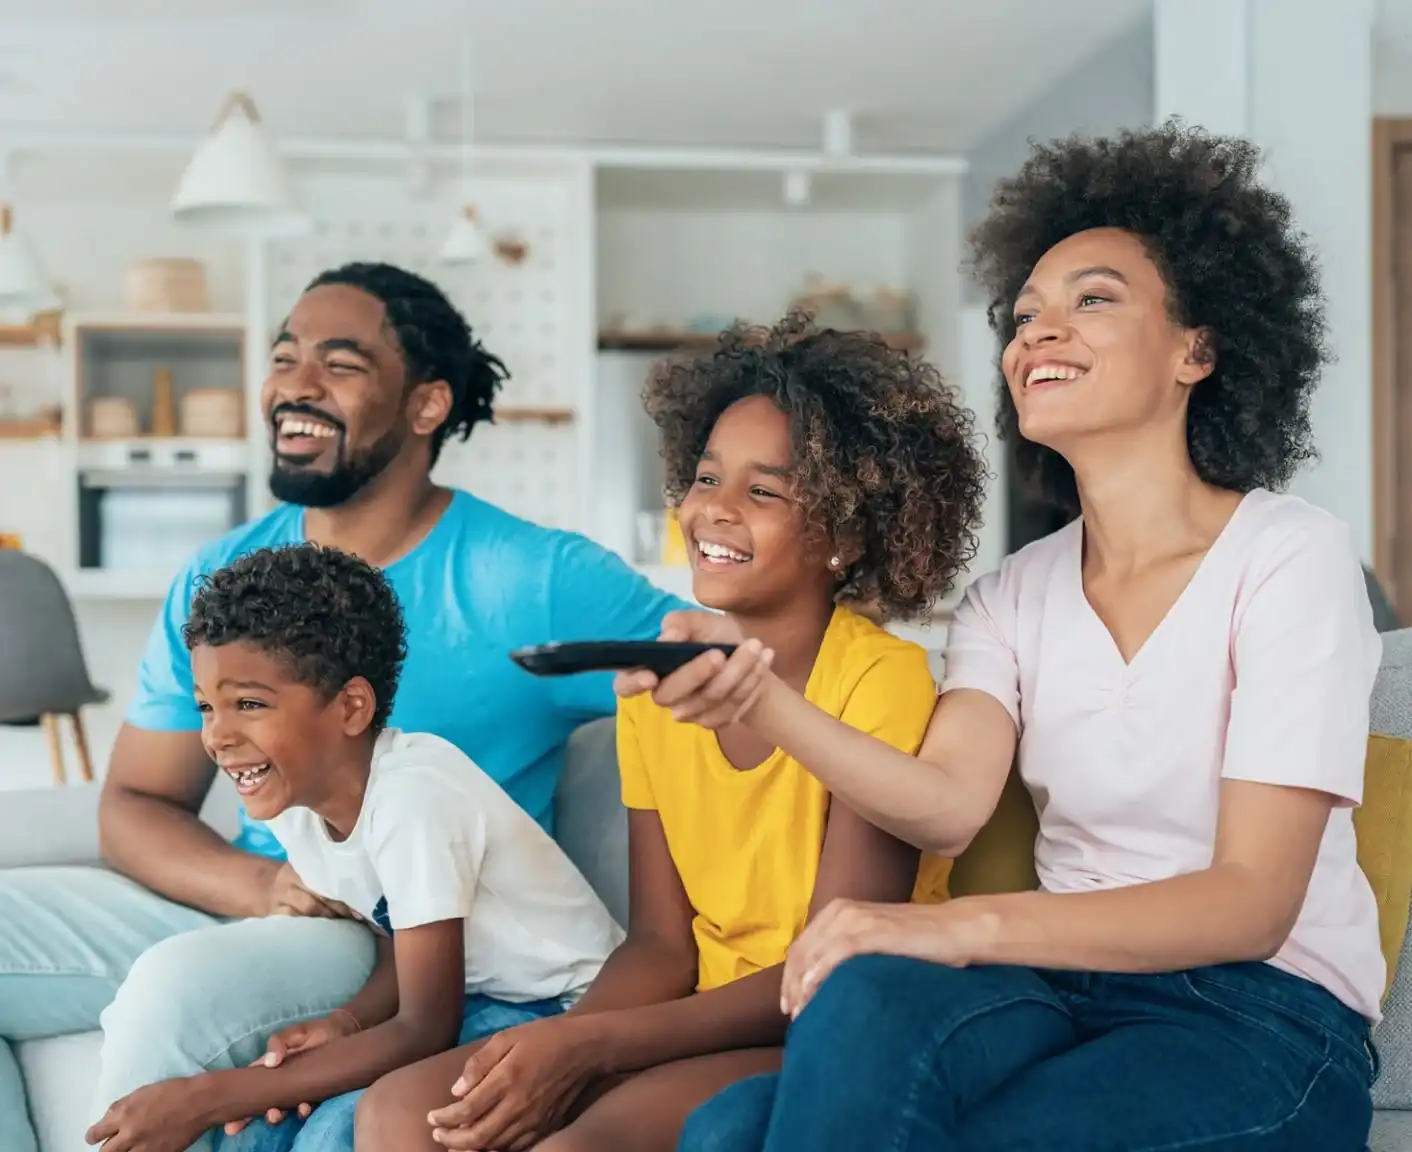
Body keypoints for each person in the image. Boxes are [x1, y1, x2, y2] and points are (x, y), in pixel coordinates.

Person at [636, 123, 1385, 1151]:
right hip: (1055, 997)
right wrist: (761, 697)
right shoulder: (1013, 595)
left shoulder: (1290, 559)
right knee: (743, 1109)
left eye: (1091, 300)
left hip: (1256, 1015)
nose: (1037, 334)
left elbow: (1250, 902)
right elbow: (941, 809)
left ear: (1196, 349)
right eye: (1024, 313)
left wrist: (947, 928)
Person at [0, 261, 682, 1152]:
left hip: (383, 931)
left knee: (175, 989)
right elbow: (132, 805)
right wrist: (263, 885)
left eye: (341, 362)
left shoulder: (536, 578)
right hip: (273, 895)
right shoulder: (223, 582)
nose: (295, 384)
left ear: (427, 405)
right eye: (284, 357)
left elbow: (723, 672)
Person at [350, 313, 988, 1151]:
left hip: (833, 1026)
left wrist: (587, 1046)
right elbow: (660, 943)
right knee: (398, 1111)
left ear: (846, 532)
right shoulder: (655, 687)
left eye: (764, 491)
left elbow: (834, 974)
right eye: (706, 477)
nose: (714, 511)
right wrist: (552, 1047)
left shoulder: (878, 679)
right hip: (695, 1019)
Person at [87, 543, 625, 1152]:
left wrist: (206, 1095)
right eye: (207, 707)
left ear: (350, 707)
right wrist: (348, 1022)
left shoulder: (414, 797)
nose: (216, 736)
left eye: (249, 705)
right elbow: (406, 938)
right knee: (255, 1136)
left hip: (561, 1009)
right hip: (475, 998)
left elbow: (427, 1025)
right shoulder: (297, 800)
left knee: (330, 1134)